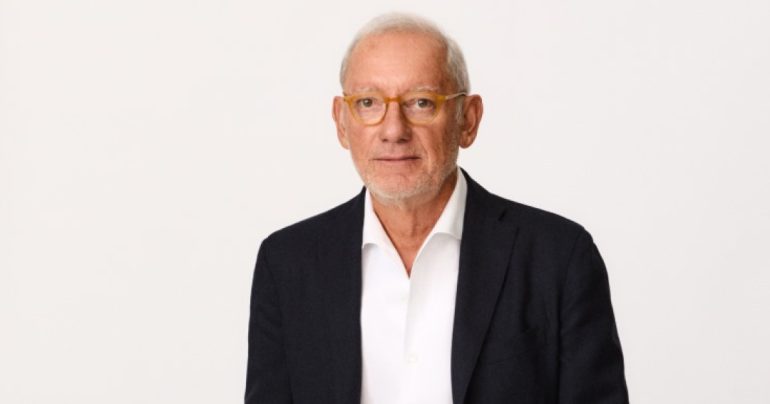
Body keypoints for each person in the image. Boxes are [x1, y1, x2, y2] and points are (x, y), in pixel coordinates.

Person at [245, 12, 628, 404]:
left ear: (468, 120)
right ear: (342, 123)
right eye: (368, 103)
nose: (394, 130)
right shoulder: (287, 263)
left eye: (421, 103)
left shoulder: (558, 258)